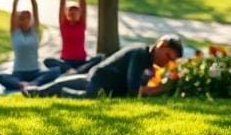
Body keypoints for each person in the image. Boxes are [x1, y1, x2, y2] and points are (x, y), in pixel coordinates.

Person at [24, 36, 184, 98]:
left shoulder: (147, 60)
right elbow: (133, 90)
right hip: (99, 82)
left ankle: (34, 91)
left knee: (62, 83)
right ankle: (38, 92)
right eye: (168, 56)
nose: (167, 62)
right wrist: (163, 89)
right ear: (161, 45)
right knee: (74, 92)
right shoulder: (140, 54)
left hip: (100, 80)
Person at [0, 0, 61, 91]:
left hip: (35, 72)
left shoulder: (34, 31)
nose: (26, 19)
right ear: (19, 20)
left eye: (28, 17)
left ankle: (33, 83)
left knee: (56, 71)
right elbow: (14, 7)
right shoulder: (15, 32)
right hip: (18, 74)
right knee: (1, 77)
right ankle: (22, 85)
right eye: (23, 17)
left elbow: (35, 6)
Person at [43, 0, 103, 74]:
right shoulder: (63, 24)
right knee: (47, 61)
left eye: (76, 11)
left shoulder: (81, 24)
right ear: (67, 14)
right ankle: (73, 71)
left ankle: (76, 71)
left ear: (79, 14)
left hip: (81, 61)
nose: (73, 13)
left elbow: (83, 3)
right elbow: (62, 1)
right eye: (71, 11)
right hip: (66, 61)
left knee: (101, 57)